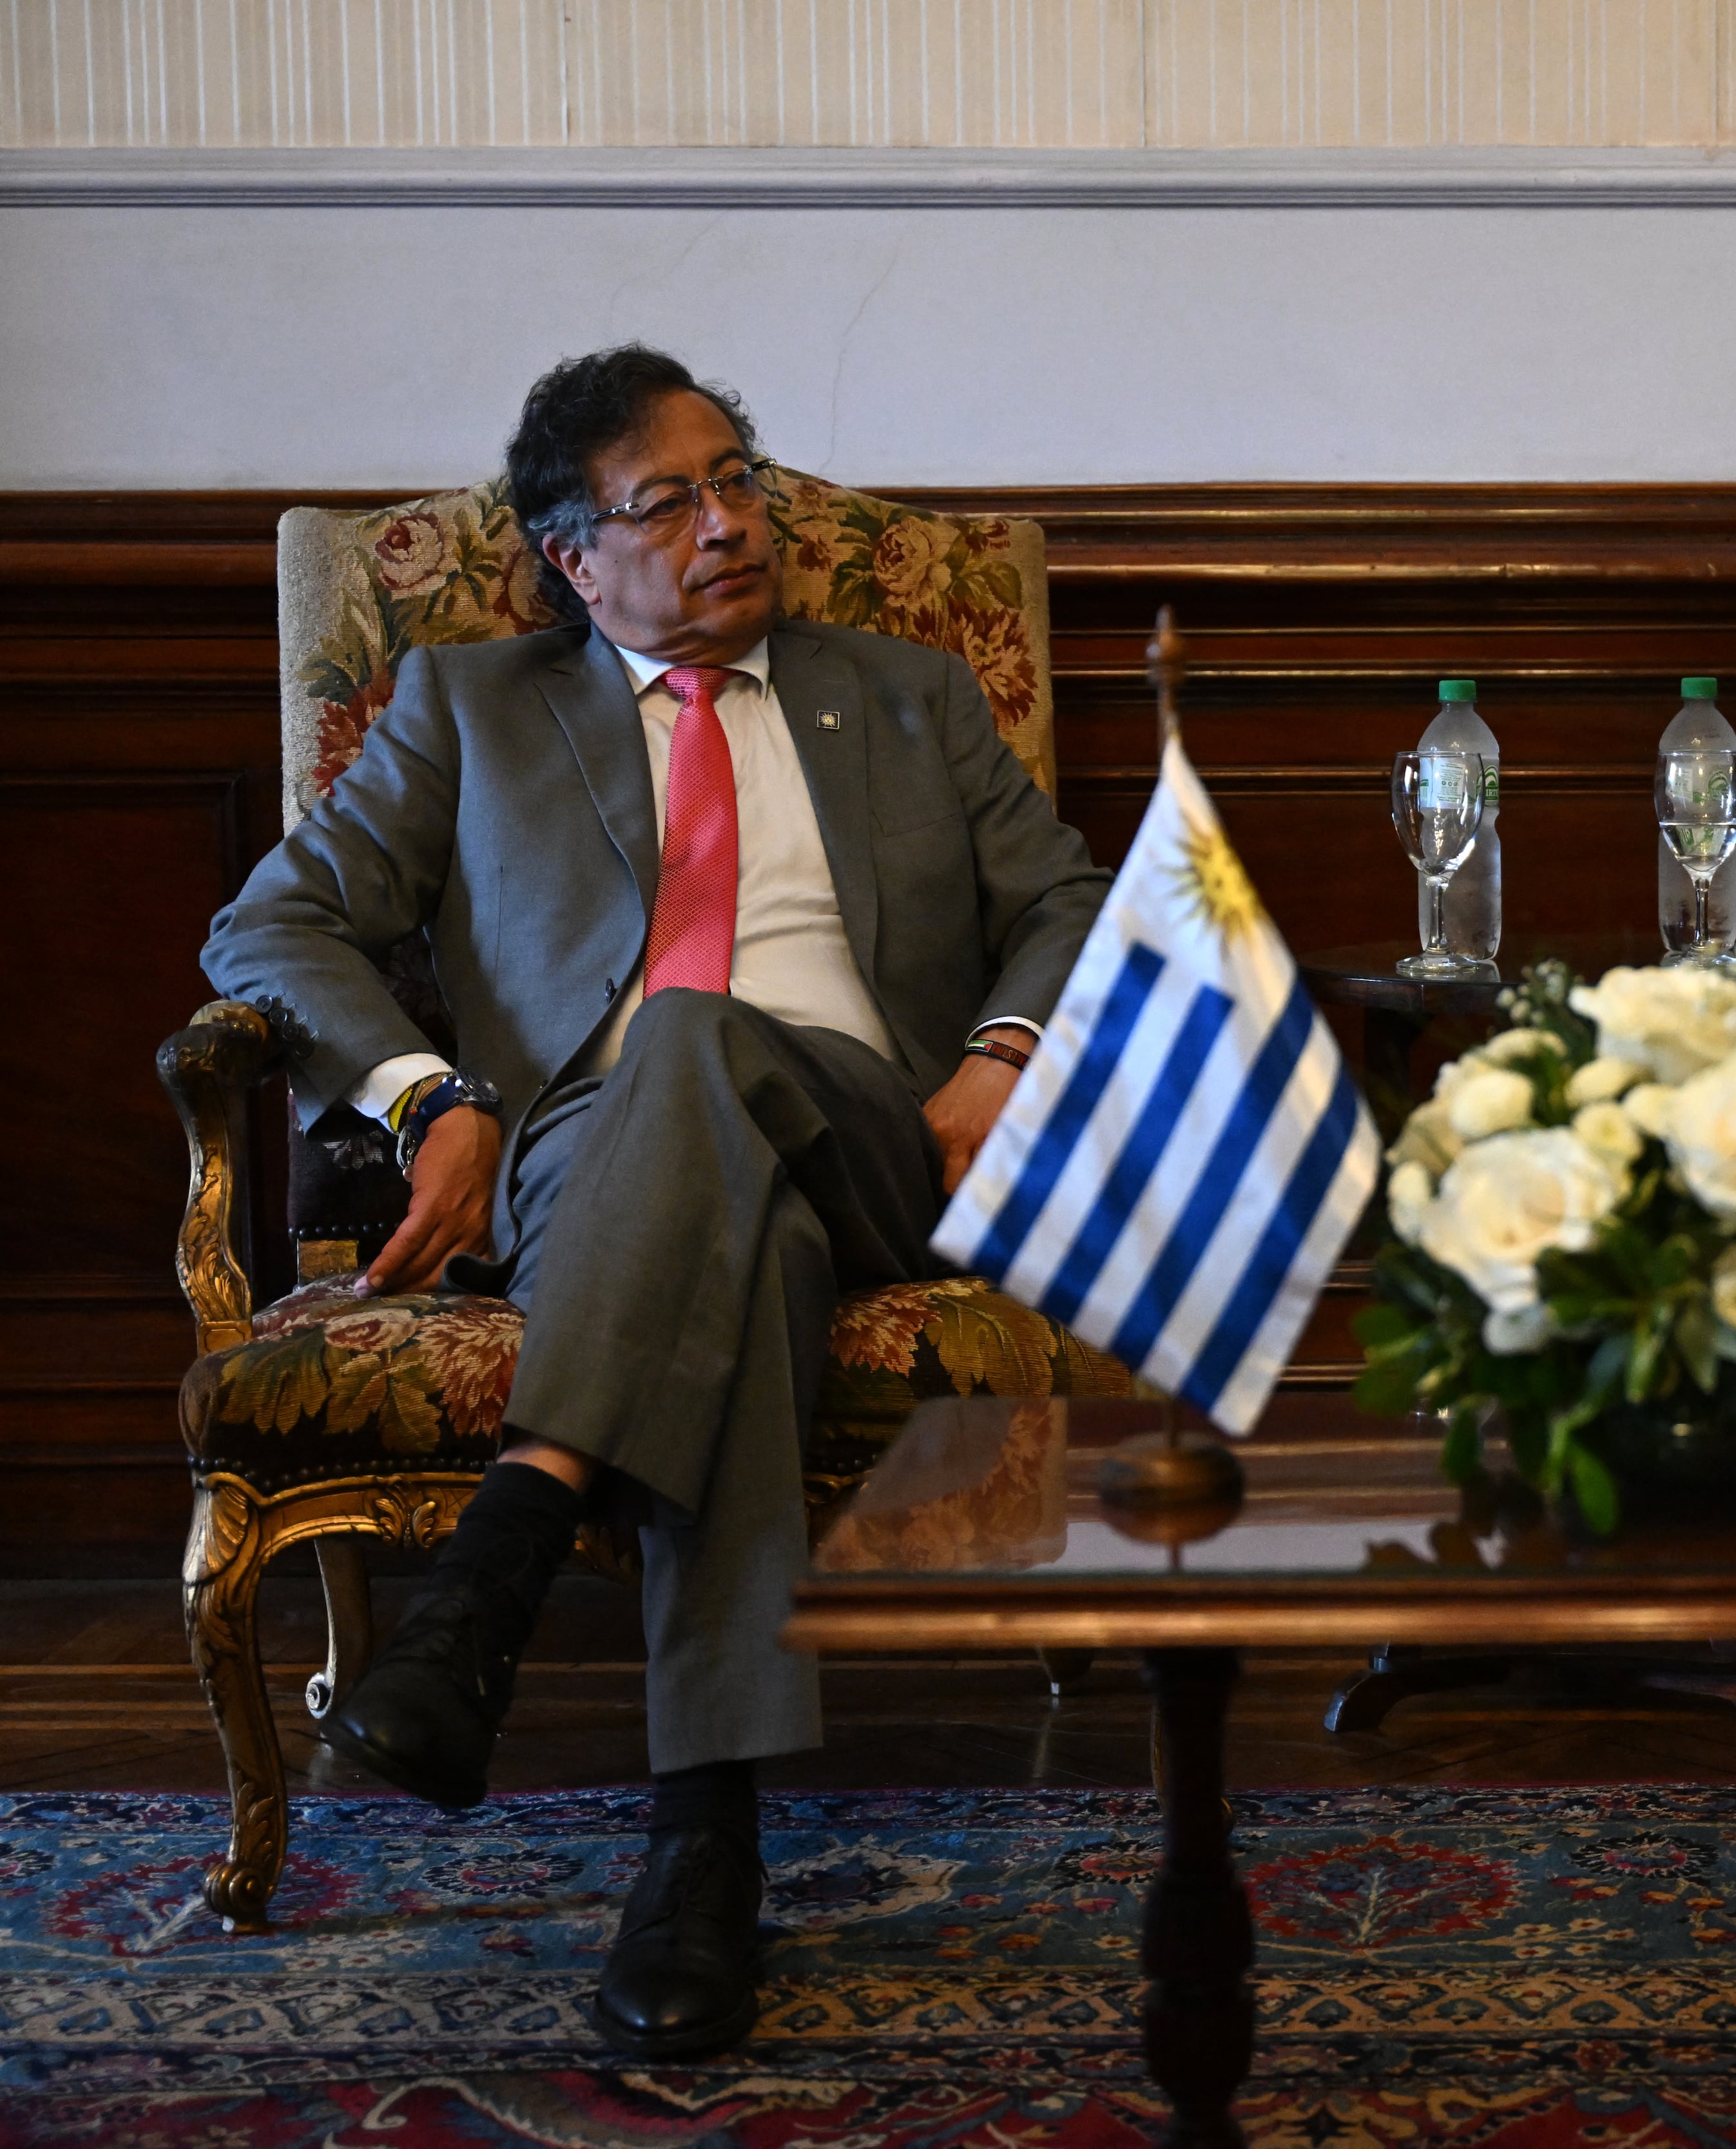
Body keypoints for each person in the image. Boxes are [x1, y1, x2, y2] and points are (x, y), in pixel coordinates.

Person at [203, 347, 1108, 2059]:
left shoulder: (904, 692)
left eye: (736, 480)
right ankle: (705, 1846)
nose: (724, 526)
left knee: (703, 1041)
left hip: (873, 1144)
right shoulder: (471, 711)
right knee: (730, 1234)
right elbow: (271, 926)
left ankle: (502, 1563)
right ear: (573, 557)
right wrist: (431, 1097)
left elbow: (1069, 905)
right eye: (665, 503)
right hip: (591, 1173)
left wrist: (998, 1050)